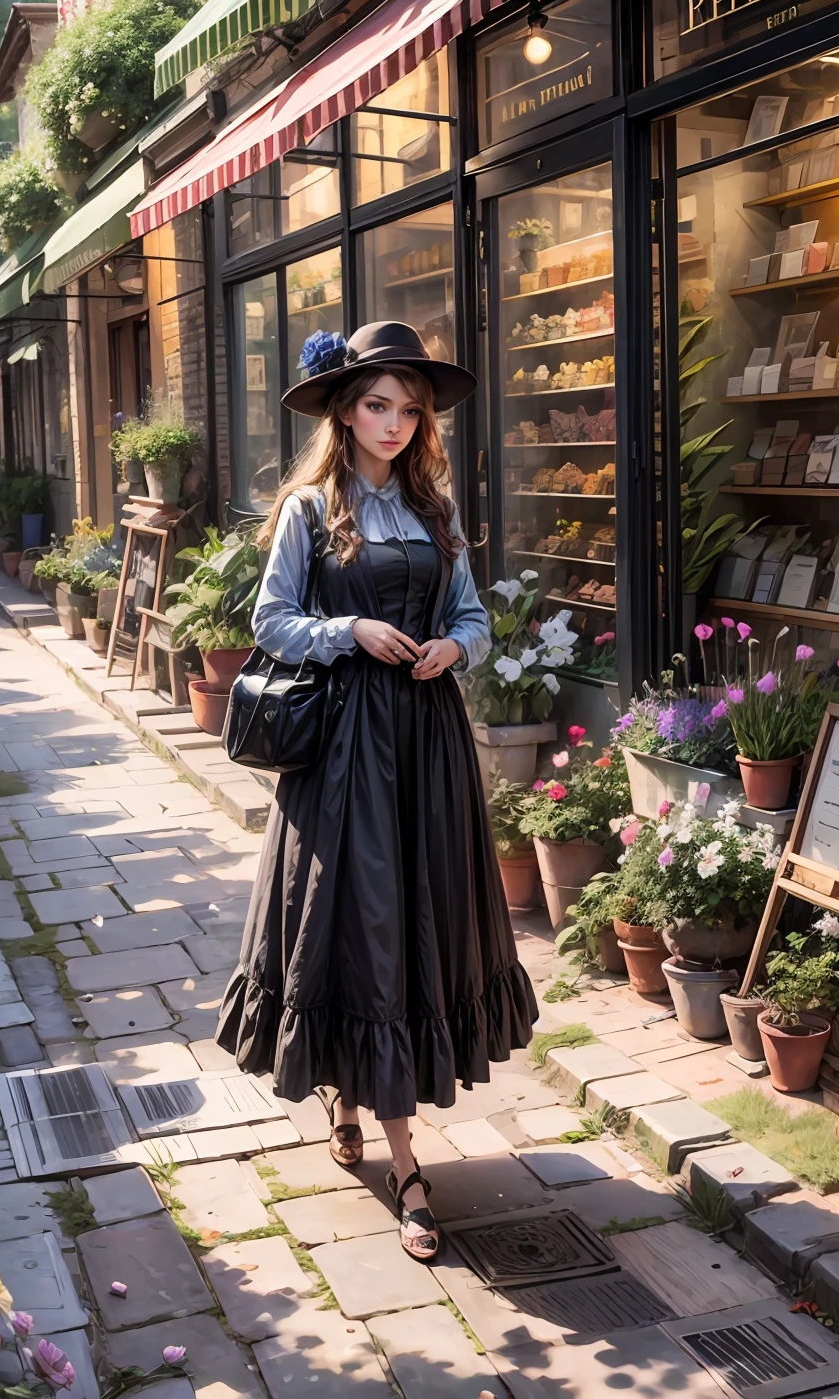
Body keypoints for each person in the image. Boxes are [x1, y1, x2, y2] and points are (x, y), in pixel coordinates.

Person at [215, 322, 533, 1266]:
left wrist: (454, 646)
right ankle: (406, 1164)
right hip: (347, 750)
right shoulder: (312, 510)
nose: (393, 423)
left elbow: (475, 616)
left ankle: (357, 1104)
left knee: (410, 923)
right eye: (375, 405)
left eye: (408, 408)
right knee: (359, 924)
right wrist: (348, 628)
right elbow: (270, 622)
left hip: (429, 747)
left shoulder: (437, 511)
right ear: (344, 413)